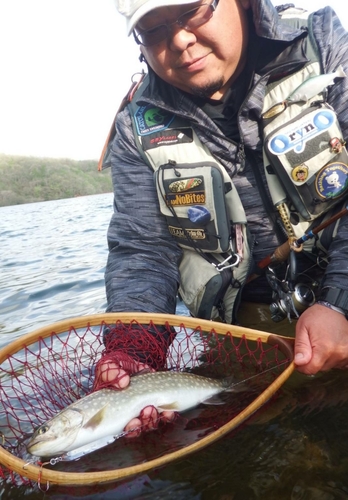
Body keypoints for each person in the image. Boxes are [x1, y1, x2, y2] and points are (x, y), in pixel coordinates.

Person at [96, 0, 348, 436]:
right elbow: (142, 250)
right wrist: (134, 349)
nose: (178, 38)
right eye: (153, 30)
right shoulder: (135, 128)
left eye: (192, 11)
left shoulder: (323, 43)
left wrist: (338, 300)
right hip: (244, 336)